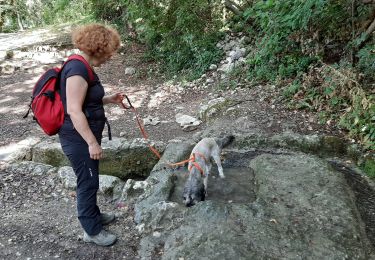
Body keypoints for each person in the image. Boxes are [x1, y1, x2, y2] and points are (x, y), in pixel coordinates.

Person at [58, 23, 123, 246]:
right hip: (77, 139)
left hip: (82, 137)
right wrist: (92, 142)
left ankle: (94, 216)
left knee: (91, 179)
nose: (109, 58)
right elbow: (74, 110)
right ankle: (91, 230)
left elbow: (86, 100)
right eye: (108, 52)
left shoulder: (83, 65)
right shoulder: (77, 69)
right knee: (87, 182)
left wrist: (109, 99)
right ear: (98, 48)